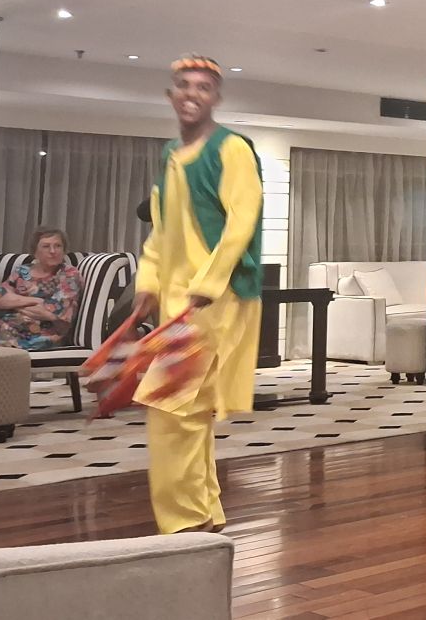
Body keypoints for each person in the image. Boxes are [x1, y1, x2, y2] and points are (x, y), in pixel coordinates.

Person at [132, 54, 263, 535]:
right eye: (184, 85)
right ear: (170, 95)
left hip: (214, 302)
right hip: (177, 304)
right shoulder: (171, 154)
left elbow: (241, 221)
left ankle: (184, 523)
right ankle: (203, 515)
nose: (192, 93)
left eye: (203, 87)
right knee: (189, 412)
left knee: (172, 408)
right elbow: (161, 229)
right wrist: (148, 283)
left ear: (216, 98)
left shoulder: (232, 149)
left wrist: (208, 285)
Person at [0, 228, 83, 350]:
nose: (53, 251)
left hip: (38, 337)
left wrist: (13, 303)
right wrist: (37, 301)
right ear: (35, 251)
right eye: (46, 246)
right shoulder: (23, 271)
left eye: (58, 246)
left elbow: (53, 312)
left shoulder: (69, 274)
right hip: (1, 332)